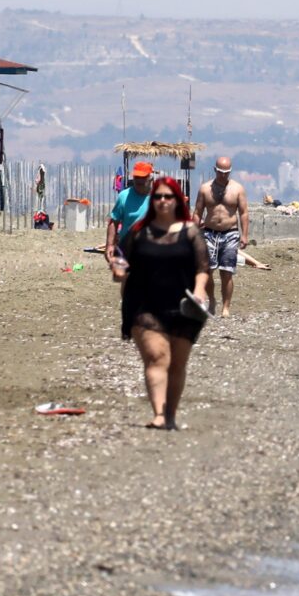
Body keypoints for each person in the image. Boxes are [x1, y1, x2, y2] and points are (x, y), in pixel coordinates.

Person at [107, 176, 211, 429]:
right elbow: (121, 258)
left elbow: (202, 267)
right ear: (152, 201)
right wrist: (117, 268)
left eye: (168, 196)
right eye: (158, 196)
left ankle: (171, 415)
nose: (162, 201)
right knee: (156, 358)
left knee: (176, 363)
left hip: (184, 307)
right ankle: (159, 415)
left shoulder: (190, 232)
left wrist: (199, 291)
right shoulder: (139, 232)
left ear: (177, 200)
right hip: (144, 305)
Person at [194, 155, 250, 315]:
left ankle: (226, 307)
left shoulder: (237, 189)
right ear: (215, 170)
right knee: (207, 270)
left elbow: (244, 213)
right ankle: (211, 300)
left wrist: (244, 235)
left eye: (226, 172)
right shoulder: (205, 188)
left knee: (227, 271)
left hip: (230, 233)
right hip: (209, 233)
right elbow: (197, 212)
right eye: (220, 172)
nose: (223, 175)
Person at [107, 160, 153, 254]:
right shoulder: (124, 196)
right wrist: (110, 245)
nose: (139, 180)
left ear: (150, 178)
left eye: (142, 177)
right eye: (136, 177)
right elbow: (114, 222)